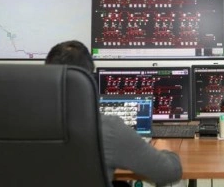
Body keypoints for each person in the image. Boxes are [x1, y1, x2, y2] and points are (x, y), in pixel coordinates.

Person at [45, 40, 183, 187]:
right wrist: (166, 151)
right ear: (88, 81)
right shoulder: (107, 128)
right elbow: (171, 171)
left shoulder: (26, 125)